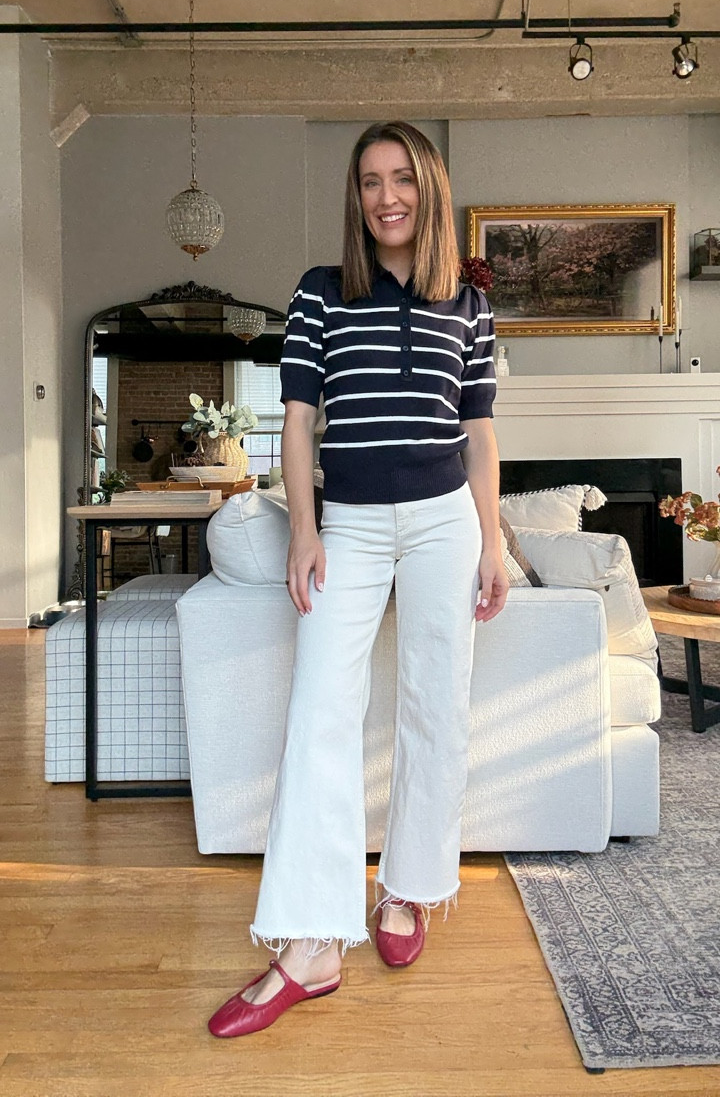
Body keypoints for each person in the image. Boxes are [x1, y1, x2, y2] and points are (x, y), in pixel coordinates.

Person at [208, 121, 508, 1038]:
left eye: (402, 178)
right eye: (371, 180)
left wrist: (493, 542)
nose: (387, 196)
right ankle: (312, 944)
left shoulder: (469, 298)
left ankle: (408, 892)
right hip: (353, 525)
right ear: (357, 195)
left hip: (446, 522)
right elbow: (299, 422)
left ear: (430, 189)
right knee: (320, 715)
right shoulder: (320, 292)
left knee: (433, 705)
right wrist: (304, 527)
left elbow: (480, 432)